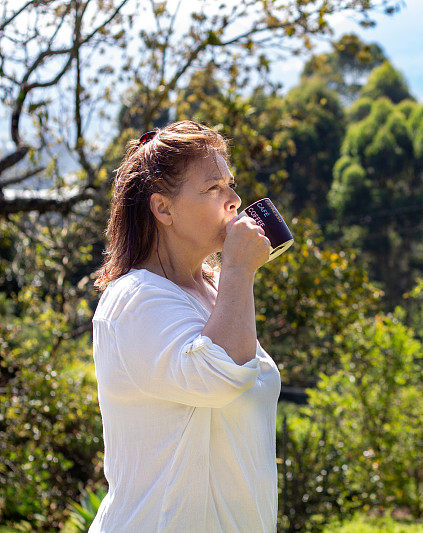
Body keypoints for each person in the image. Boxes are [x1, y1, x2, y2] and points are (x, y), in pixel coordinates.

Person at [89, 120, 281, 532]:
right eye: (214, 188)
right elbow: (218, 377)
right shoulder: (133, 299)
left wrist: (231, 276)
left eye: (230, 185)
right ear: (163, 208)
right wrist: (239, 271)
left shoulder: (211, 289)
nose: (234, 199)